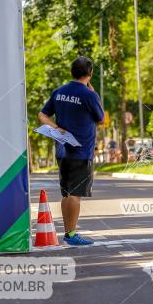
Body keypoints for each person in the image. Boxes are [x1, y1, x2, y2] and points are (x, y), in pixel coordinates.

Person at [38, 56, 105, 246]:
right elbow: (101, 119)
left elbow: (42, 114)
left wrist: (55, 127)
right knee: (75, 194)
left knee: (67, 193)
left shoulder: (59, 92)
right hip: (81, 151)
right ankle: (71, 234)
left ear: (72, 72)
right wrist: (94, 93)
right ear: (90, 73)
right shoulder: (89, 95)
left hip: (62, 150)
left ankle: (69, 233)